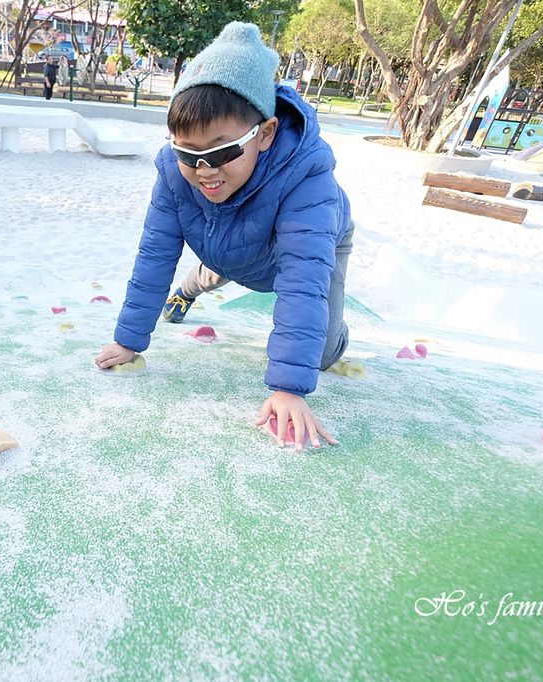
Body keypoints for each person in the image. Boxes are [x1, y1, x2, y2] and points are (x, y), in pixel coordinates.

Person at [95, 22, 354, 451]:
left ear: (265, 133)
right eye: (187, 153)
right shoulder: (173, 174)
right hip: (229, 240)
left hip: (301, 248)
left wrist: (289, 388)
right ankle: (188, 290)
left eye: (221, 152)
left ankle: (337, 329)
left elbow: (303, 280)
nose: (205, 170)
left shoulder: (309, 181)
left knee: (322, 354)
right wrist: (128, 340)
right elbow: (155, 254)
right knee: (225, 257)